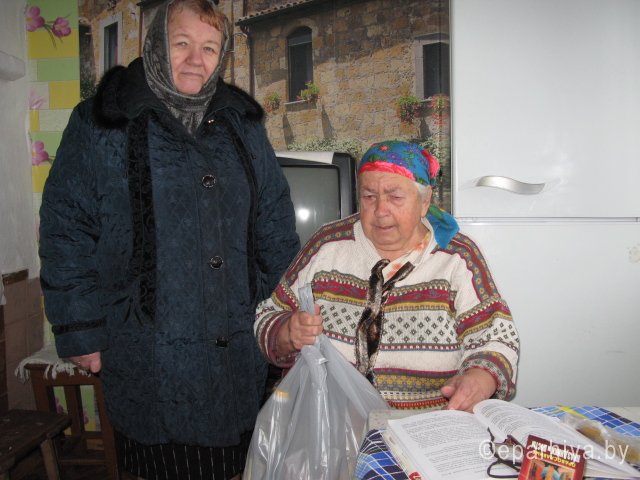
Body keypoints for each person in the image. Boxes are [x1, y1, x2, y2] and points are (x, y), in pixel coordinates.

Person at [38, 0, 300, 478]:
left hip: (235, 342)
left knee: (233, 464)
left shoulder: (241, 124)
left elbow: (274, 222)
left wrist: (287, 314)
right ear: (156, 44)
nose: (196, 60)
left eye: (209, 48)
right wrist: (79, 329)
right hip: (146, 346)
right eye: (182, 44)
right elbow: (66, 229)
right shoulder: (103, 121)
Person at [255, 140, 519, 412]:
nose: (380, 210)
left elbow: (497, 338)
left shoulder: (457, 258)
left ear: (424, 201)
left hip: (422, 426)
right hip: (329, 423)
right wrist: (286, 333)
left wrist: (481, 377)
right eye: (369, 196)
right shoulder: (327, 245)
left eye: (395, 197)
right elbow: (266, 316)